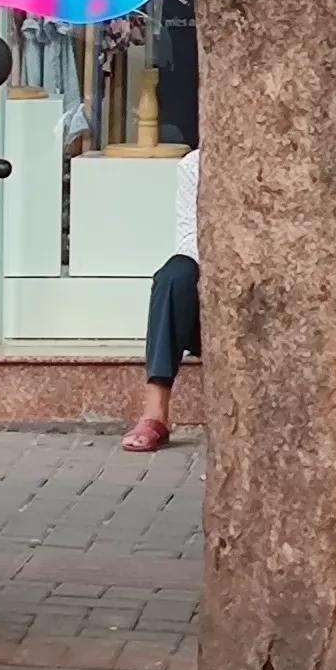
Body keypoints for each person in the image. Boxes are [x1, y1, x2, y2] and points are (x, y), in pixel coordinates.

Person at [124, 145, 197, 455]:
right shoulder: (194, 166)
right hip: (214, 302)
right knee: (174, 275)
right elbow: (188, 240)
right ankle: (155, 413)